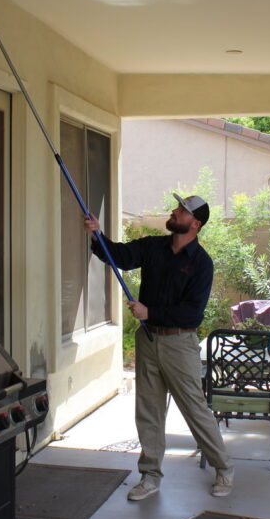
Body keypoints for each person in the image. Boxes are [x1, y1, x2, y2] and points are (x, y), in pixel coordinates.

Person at [84, 193, 234, 501]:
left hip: (180, 343)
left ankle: (223, 468)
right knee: (149, 410)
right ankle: (150, 476)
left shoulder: (201, 263)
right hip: (148, 339)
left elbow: (192, 313)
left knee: (194, 408)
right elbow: (120, 256)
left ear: (195, 223)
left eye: (182, 210)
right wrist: (98, 235)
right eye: (177, 207)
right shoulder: (153, 247)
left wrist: (149, 312)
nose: (174, 211)